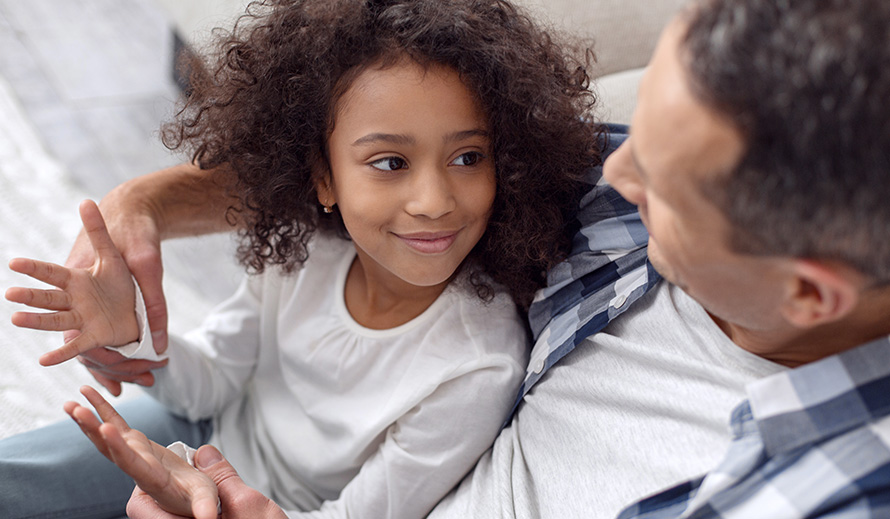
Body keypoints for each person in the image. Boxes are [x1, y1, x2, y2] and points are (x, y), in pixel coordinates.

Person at [68, 0, 890, 517]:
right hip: (236, 441)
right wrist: (140, 209)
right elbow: (339, 177)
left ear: (810, 294)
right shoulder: (621, 205)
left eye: (661, 186)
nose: (611, 172)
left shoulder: (823, 489)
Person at [1, 0, 604, 517]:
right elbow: (208, 388)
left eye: (468, 157)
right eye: (390, 163)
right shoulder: (304, 256)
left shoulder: (476, 367)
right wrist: (133, 333)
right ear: (323, 178)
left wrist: (219, 497)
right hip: (199, 437)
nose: (434, 201)